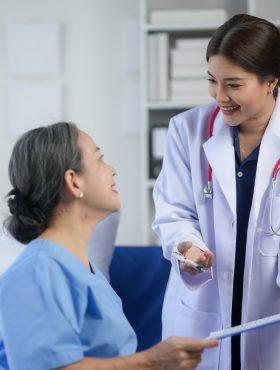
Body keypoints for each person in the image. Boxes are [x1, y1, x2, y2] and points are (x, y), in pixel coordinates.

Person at [0, 122, 218, 370]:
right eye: (99, 159)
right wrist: (150, 362)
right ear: (74, 182)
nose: (112, 169)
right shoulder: (36, 273)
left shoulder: (85, 269)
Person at [152, 13, 280, 370]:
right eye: (213, 81)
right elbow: (172, 210)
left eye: (234, 85)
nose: (220, 96)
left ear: (271, 80)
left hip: (272, 314)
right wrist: (185, 244)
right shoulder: (187, 130)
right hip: (204, 310)